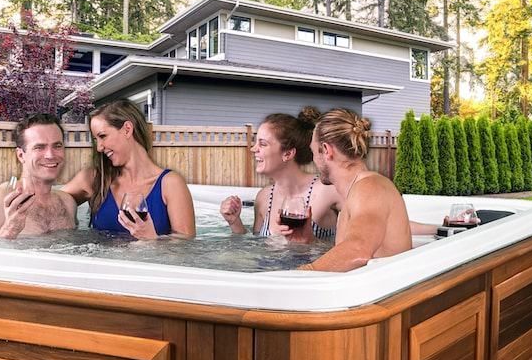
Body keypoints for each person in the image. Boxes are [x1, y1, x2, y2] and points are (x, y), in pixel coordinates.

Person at [297, 108, 411, 271]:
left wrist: (302, 274)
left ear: (326, 150)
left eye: (313, 152)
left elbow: (358, 250)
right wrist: (308, 240)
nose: (313, 160)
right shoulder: (358, 192)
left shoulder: (370, 187)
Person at [63, 100, 195, 239]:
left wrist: (152, 239)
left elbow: (186, 245)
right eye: (96, 140)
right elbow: (51, 202)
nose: (99, 148)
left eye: (102, 136)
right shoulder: (95, 179)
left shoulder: (170, 184)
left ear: (127, 129)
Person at [220, 107, 339, 240]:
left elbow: (350, 243)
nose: (253, 149)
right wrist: (235, 222)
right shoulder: (263, 198)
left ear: (287, 154)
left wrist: (309, 242)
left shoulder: (328, 191)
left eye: (262, 144)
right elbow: (256, 245)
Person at [0, 114, 77, 239]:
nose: (50, 155)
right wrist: (10, 228)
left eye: (57, 146)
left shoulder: (67, 202)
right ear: (21, 155)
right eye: (39, 147)